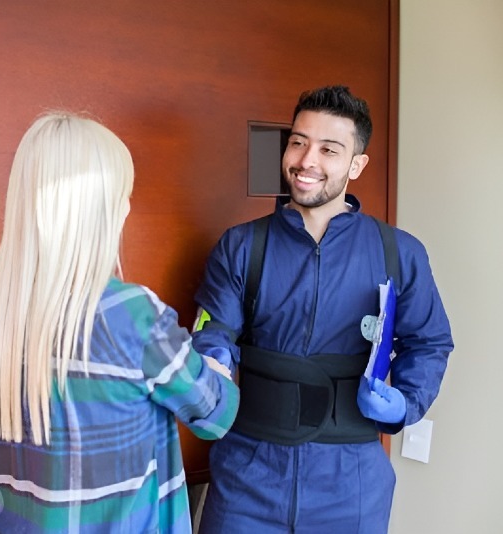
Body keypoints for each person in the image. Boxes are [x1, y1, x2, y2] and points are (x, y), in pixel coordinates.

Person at [0, 112, 239, 534]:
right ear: (104, 212)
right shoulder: (133, 317)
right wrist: (215, 363)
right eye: (124, 193)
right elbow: (215, 417)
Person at [192, 86, 453, 533]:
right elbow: (214, 330)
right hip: (247, 477)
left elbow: (429, 342)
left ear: (356, 164)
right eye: (298, 142)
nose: (306, 160)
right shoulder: (242, 246)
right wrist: (210, 366)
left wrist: (406, 403)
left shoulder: (400, 253)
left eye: (328, 149)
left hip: (350, 482)